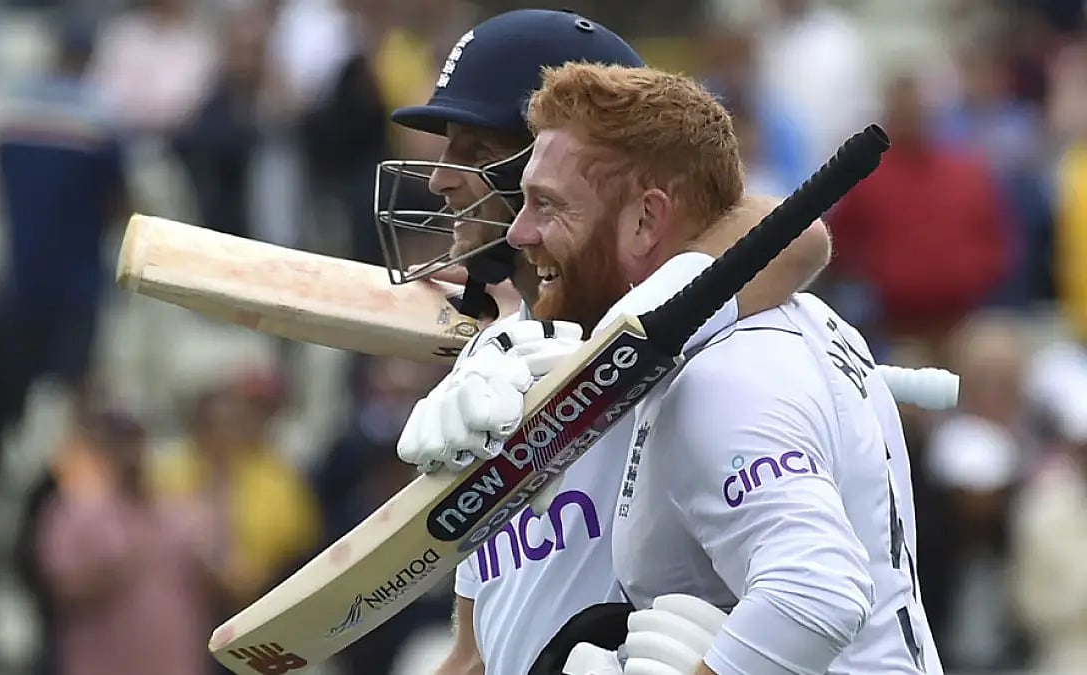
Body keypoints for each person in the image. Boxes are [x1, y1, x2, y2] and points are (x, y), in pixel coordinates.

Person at [378, 10, 834, 675]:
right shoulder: (492, 363)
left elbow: (797, 233)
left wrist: (614, 349)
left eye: (472, 151)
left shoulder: (685, 344)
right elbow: (475, 651)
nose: (442, 177)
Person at [504, 63, 943, 675]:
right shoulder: (783, 324)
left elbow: (816, 592)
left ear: (646, 221)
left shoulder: (724, 374)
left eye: (547, 206)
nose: (517, 231)